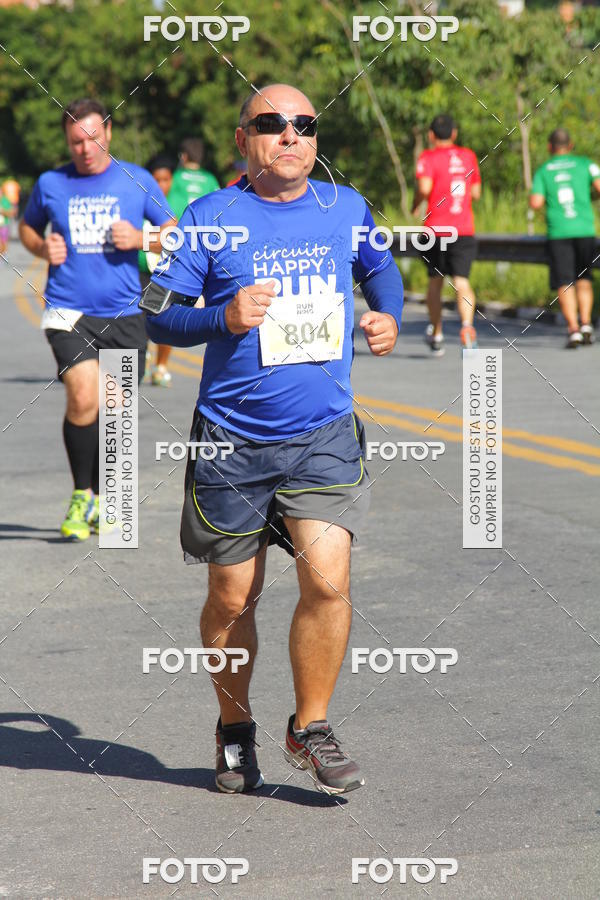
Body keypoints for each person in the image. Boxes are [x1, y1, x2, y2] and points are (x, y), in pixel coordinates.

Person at [143, 83, 403, 795]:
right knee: (233, 597)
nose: (290, 135)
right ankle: (233, 727)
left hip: (322, 433)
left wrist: (388, 317)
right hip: (231, 441)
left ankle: (310, 726)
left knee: (329, 577)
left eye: (304, 125)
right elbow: (156, 313)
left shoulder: (344, 208)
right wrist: (219, 320)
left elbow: (384, 270)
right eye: (271, 123)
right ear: (242, 139)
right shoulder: (210, 217)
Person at [19, 98, 175, 541]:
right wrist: (40, 248)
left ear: (107, 132)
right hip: (69, 310)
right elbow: (29, 228)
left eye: (90, 139)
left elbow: (175, 232)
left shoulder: (136, 180)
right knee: (83, 394)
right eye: (74, 142)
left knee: (117, 414)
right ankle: (82, 493)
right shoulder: (51, 183)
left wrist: (143, 237)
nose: (84, 150)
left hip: (125, 313)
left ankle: (109, 501)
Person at [412, 114, 481, 355]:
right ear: (454, 133)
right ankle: (467, 326)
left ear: (431, 135)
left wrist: (415, 204)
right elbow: (476, 192)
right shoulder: (468, 156)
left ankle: (438, 334)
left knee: (435, 281)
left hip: (436, 230)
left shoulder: (428, 157)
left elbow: (424, 188)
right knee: (462, 281)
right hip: (463, 230)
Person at [530, 128, 600, 348]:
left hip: (559, 232)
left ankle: (573, 329)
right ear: (570, 145)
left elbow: (536, 202)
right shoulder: (584, 164)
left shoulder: (544, 170)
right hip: (584, 229)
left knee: (564, 281)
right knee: (584, 278)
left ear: (550, 147)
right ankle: (587, 322)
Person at [137, 153, 176, 386]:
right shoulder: (139, 201)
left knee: (165, 319)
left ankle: (160, 367)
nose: (161, 185)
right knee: (138, 320)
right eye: (157, 180)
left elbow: (178, 239)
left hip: (166, 273)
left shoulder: (179, 202)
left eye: (166, 180)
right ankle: (140, 357)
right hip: (138, 272)